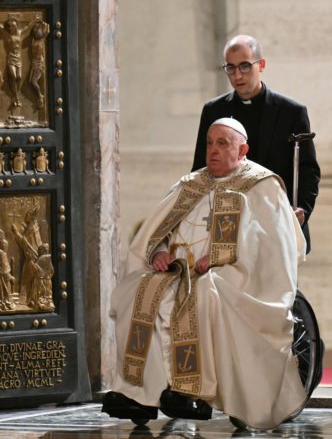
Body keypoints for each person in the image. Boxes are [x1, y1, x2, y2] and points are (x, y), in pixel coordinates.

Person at [103, 118, 308, 430]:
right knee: (139, 292)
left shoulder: (261, 186)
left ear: (243, 150)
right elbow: (159, 230)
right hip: (176, 271)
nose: (213, 150)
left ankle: (192, 392)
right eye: (210, 143)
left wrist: (216, 259)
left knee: (203, 295)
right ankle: (137, 394)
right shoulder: (190, 184)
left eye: (222, 143)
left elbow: (270, 246)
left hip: (232, 275)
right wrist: (159, 251)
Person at [192, 35, 320, 252]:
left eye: (244, 66)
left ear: (261, 65)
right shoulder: (214, 111)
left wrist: (303, 211)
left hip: (277, 223)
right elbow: (200, 167)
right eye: (230, 68)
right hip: (227, 224)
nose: (237, 75)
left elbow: (308, 171)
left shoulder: (292, 112)